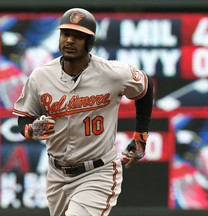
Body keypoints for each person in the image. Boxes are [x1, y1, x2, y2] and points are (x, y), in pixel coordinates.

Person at [12, 8, 154, 216]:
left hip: (98, 171)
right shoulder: (40, 77)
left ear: (90, 42)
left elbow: (145, 86)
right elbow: (23, 120)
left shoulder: (112, 73)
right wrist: (31, 130)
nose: (70, 40)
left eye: (78, 36)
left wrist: (140, 135)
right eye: (66, 34)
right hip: (57, 175)